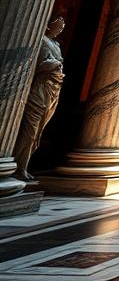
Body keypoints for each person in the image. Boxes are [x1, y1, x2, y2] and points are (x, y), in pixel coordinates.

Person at [13, 16, 65, 180]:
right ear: (50, 26)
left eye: (62, 27)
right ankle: (16, 166)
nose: (61, 29)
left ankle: (22, 166)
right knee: (30, 131)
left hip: (53, 90)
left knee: (37, 133)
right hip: (40, 89)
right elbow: (39, 64)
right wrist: (55, 63)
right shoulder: (42, 40)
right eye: (58, 26)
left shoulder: (56, 44)